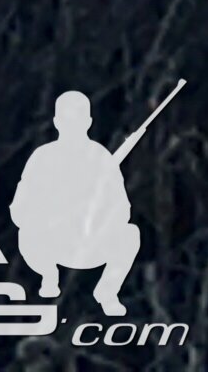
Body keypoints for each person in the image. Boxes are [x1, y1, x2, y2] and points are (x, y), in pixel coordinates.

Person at [12, 91, 142, 316]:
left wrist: (98, 219)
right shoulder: (43, 157)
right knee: (26, 234)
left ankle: (107, 292)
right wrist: (51, 219)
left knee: (130, 235)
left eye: (78, 118)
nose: (72, 125)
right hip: (51, 243)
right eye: (66, 118)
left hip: (92, 242)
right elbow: (20, 208)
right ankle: (48, 276)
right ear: (56, 122)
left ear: (88, 122)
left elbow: (122, 208)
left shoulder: (101, 158)